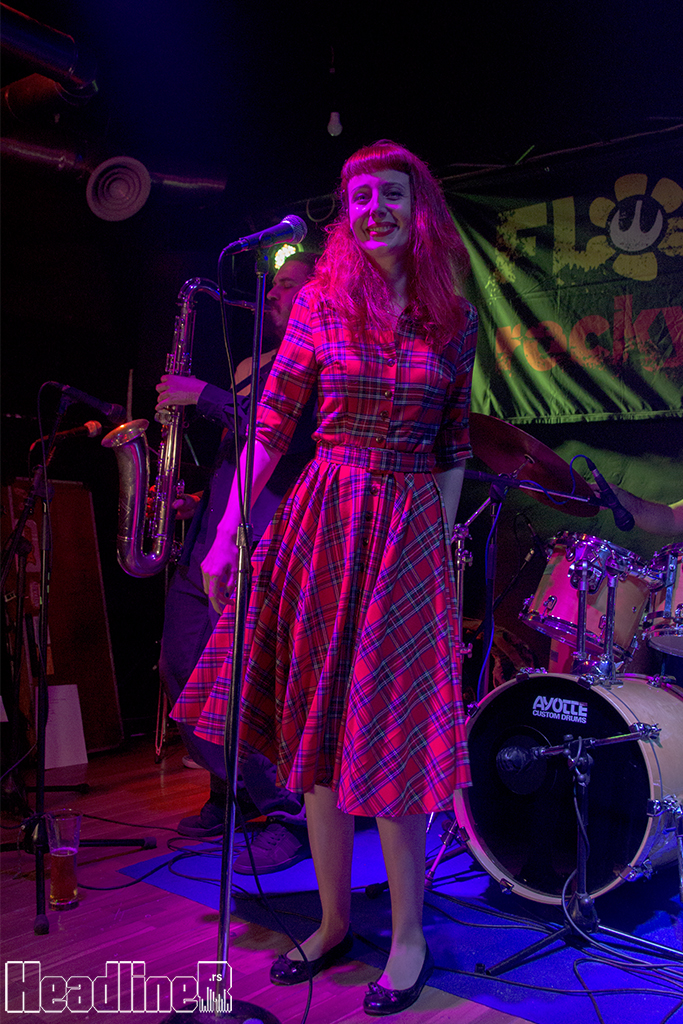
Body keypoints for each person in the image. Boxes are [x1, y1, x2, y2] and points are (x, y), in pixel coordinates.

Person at [173, 140, 478, 1015]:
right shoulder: (320, 302)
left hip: (407, 526)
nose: (375, 208)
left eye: (391, 194)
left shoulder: (453, 318)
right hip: (326, 518)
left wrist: (437, 546)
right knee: (317, 727)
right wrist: (225, 538)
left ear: (419, 208)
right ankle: (335, 920)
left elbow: (454, 445)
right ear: (347, 215)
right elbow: (271, 425)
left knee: (390, 735)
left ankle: (409, 936)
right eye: (359, 196)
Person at [156, 252, 318, 874]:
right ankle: (235, 792)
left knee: (249, 681)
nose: (274, 293)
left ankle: (283, 812)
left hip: (265, 538)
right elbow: (239, 457)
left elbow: (282, 437)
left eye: (289, 285)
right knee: (179, 665)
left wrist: (203, 394)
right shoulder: (253, 365)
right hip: (210, 538)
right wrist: (197, 500)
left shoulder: (317, 361)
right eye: (274, 285)